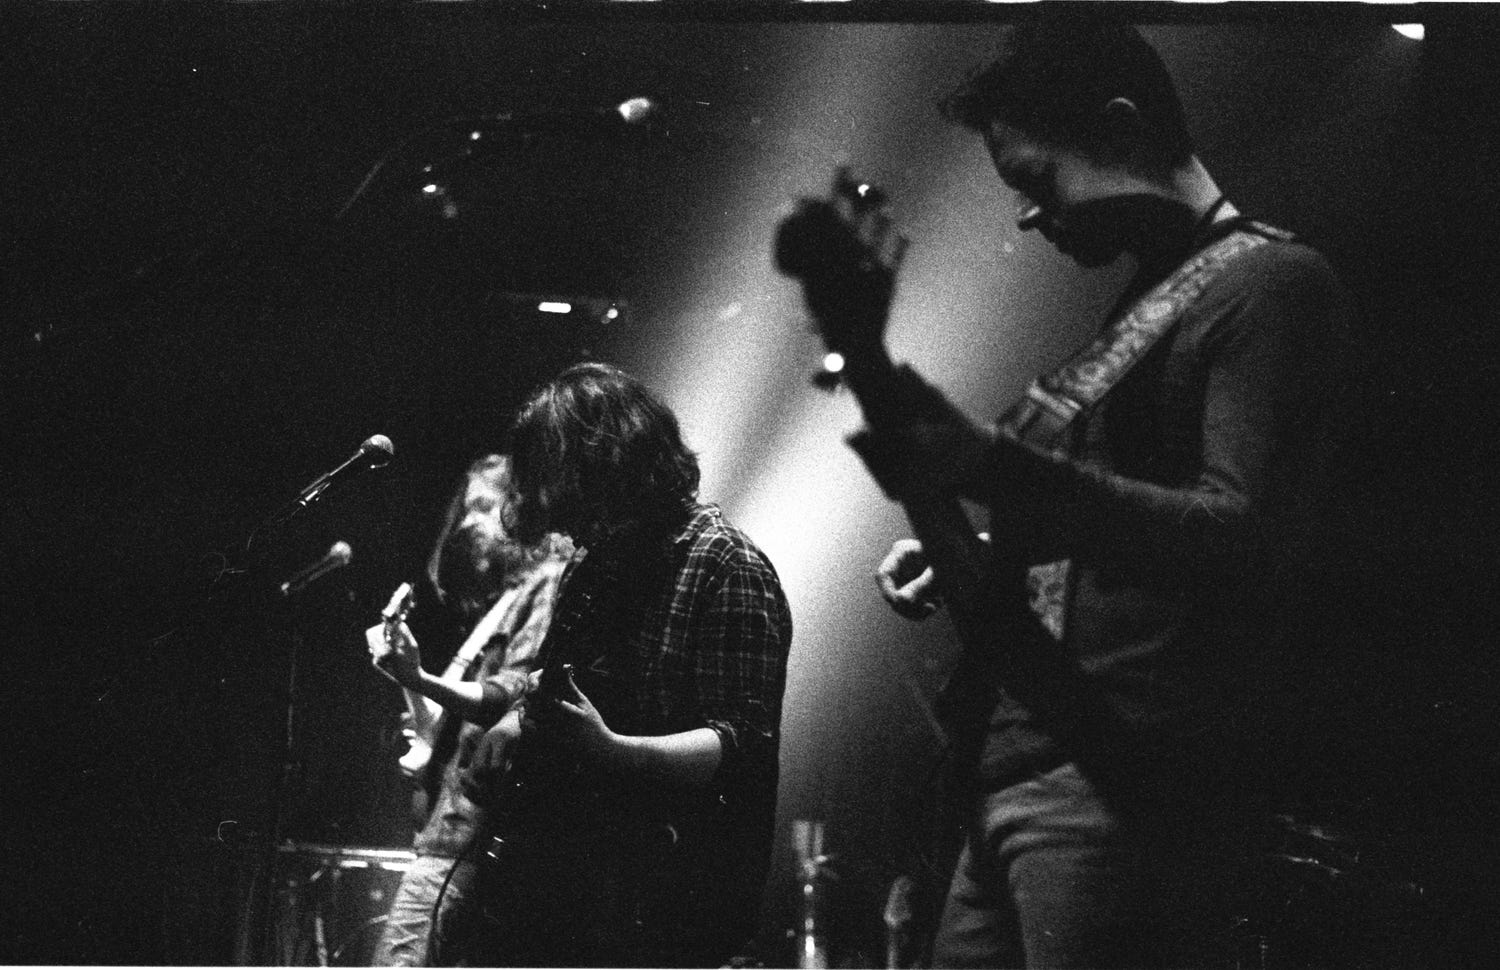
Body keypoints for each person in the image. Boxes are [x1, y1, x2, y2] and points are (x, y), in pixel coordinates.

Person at [834, 14, 1348, 968]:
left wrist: (995, 468)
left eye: (1038, 180)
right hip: (1017, 769)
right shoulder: (1141, 306)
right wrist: (990, 552)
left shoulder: (1273, 285)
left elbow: (1239, 532)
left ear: (1121, 129)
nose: (1028, 217)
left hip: (1116, 783)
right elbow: (1116, 537)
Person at [459, 361, 792, 968]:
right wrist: (516, 721)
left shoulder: (727, 565)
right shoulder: (595, 565)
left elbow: (737, 746)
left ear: (605, 465)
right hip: (573, 895)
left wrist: (611, 749)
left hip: (667, 908)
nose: (555, 513)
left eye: (556, 482)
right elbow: (565, 678)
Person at [366, 454, 570, 967]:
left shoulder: (546, 583)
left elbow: (510, 697)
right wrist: (408, 677)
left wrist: (419, 678)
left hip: (467, 838)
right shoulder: (502, 603)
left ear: (520, 508)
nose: (465, 523)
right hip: (444, 832)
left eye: (482, 506)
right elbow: (438, 733)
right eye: (464, 510)